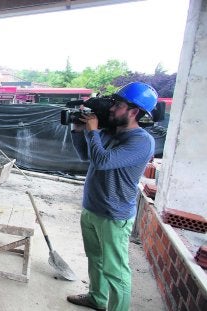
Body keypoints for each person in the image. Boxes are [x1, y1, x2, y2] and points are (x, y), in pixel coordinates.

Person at [67, 82, 158, 311]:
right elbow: (86, 156)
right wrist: (79, 130)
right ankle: (97, 298)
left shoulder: (141, 141)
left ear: (133, 111)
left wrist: (94, 131)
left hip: (114, 215)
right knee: (95, 259)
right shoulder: (108, 133)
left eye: (117, 105)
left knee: (115, 272)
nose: (111, 109)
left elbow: (103, 161)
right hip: (92, 207)